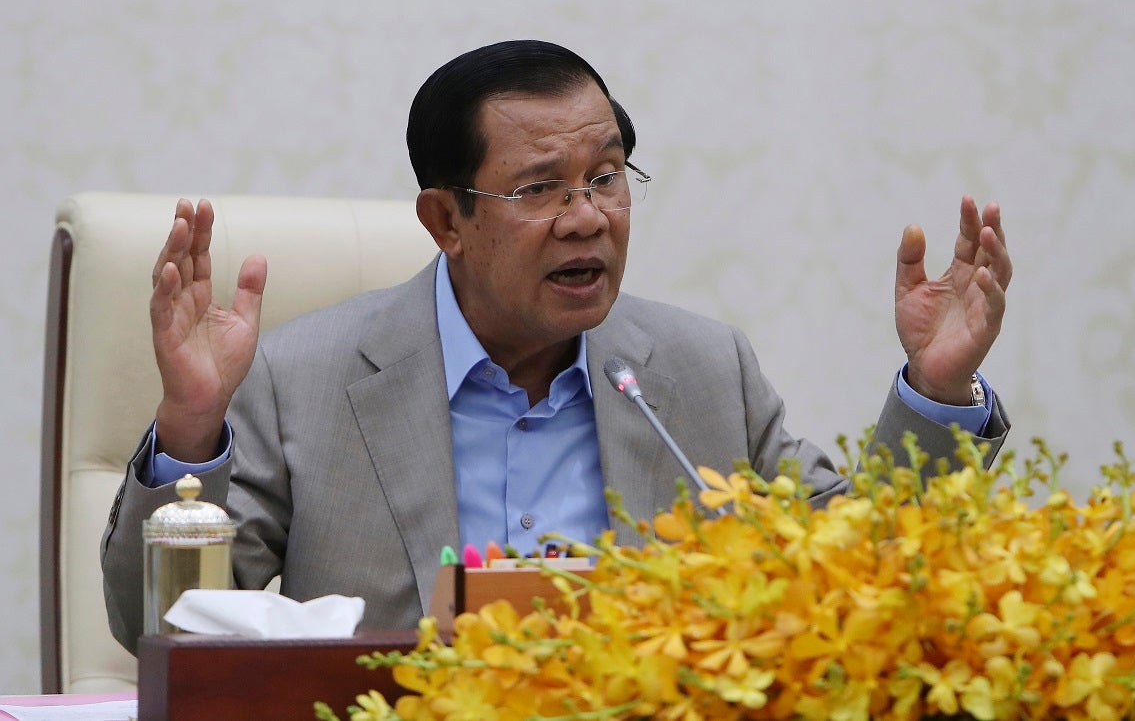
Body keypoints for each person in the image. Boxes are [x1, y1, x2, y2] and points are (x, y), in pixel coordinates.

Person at [101, 40, 1012, 654]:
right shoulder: (299, 381)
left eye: (606, 177)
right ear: (444, 219)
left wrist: (935, 389)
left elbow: (861, 565)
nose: (587, 219)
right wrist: (189, 424)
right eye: (538, 189)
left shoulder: (698, 372)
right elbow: (167, 629)